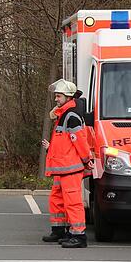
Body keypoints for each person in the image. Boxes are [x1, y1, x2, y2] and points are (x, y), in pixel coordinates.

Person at [41, 79, 94, 248]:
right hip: (62, 168)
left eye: (58, 96)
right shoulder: (64, 115)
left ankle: (78, 236)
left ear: (68, 96)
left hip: (69, 168)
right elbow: (64, 142)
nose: (56, 99)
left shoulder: (71, 116)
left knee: (73, 202)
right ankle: (60, 230)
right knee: (57, 199)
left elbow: (80, 140)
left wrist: (87, 159)